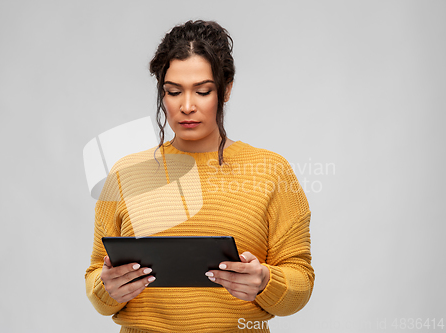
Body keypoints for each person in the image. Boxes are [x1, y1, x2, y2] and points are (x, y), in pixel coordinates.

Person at [85, 20, 314, 333]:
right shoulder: (126, 174)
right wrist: (107, 289)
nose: (187, 106)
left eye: (203, 91)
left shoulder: (271, 170)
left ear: (226, 89)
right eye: (173, 92)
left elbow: (300, 284)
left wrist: (265, 281)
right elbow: (97, 279)